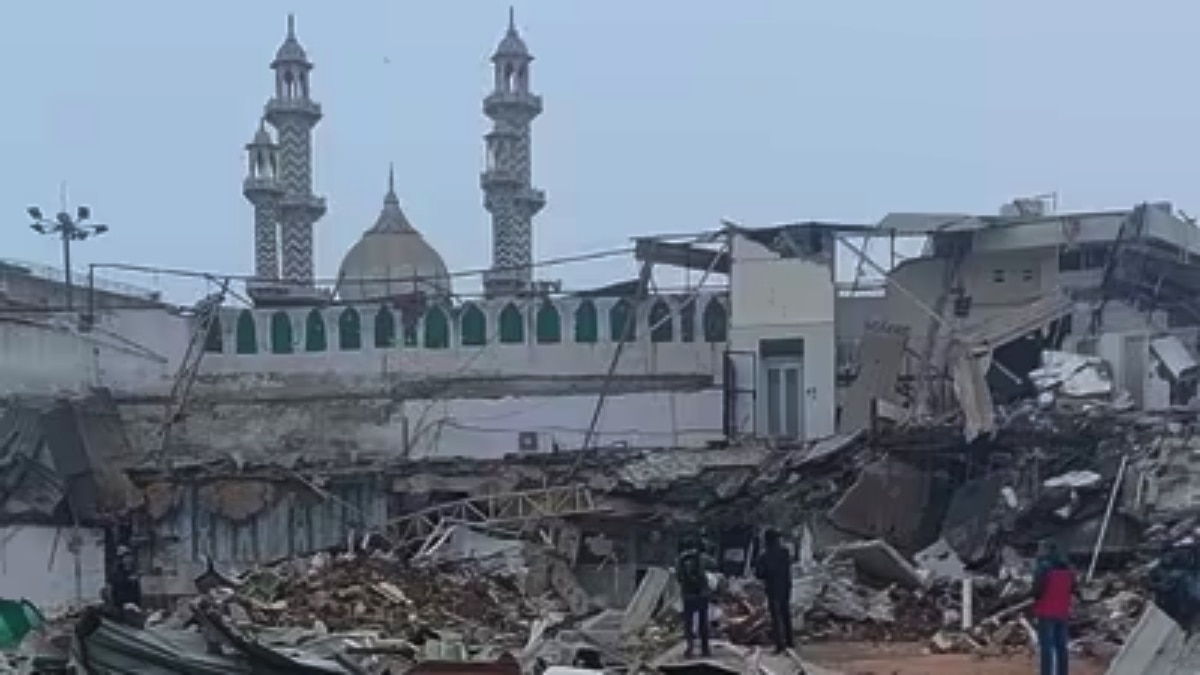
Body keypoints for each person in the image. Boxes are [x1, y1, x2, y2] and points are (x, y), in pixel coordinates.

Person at [1032, 540, 1074, 675]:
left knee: (1046, 647)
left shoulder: (1043, 567)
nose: (1038, 552)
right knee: (1062, 646)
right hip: (1062, 612)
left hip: (1046, 611)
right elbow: (1073, 589)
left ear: (1046, 550)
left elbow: (1037, 591)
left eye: (1040, 549)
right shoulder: (1068, 568)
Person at [754, 529, 794, 654]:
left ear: (766, 540)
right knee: (786, 615)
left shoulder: (763, 556)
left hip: (772, 589)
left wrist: (767, 573)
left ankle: (779, 645)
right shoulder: (785, 552)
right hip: (785, 587)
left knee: (776, 618)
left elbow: (759, 574)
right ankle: (790, 642)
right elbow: (788, 569)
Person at [675, 534, 713, 658]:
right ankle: (705, 649)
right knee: (703, 622)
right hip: (702, 594)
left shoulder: (680, 559)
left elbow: (678, 577)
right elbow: (714, 564)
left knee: (688, 623)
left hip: (688, 595)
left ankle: (690, 648)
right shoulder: (702, 557)